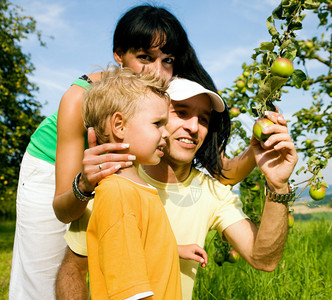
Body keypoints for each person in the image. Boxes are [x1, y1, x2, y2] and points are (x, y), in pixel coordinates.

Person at [10, 4, 253, 300]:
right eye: (144, 58)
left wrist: (255, 152)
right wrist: (84, 184)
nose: (158, 72)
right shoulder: (79, 98)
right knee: (43, 275)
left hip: (113, 173)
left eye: (167, 60)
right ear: (118, 55)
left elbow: (219, 171)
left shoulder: (162, 100)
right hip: (53, 170)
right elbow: (62, 210)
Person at [60, 76, 299, 300]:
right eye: (181, 113)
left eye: (204, 119)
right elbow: (74, 269)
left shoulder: (211, 193)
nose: (194, 127)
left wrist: (277, 184)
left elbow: (264, 260)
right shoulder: (109, 180)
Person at [82, 66, 182, 299]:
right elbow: (129, 292)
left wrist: (176, 251)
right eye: (157, 123)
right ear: (119, 126)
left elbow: (139, 248)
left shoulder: (136, 189)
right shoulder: (117, 193)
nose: (165, 133)